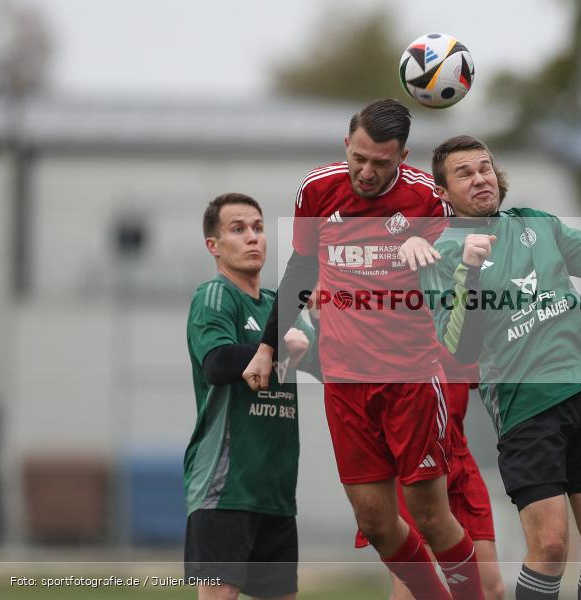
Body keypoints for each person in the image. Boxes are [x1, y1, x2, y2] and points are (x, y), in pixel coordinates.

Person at [243, 99, 484, 600]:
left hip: (411, 379)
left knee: (429, 515)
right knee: (375, 521)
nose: (367, 172)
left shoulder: (426, 200)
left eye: (381, 163)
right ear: (345, 145)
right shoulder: (316, 190)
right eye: (359, 158)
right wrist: (267, 346)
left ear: (404, 157)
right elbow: (301, 272)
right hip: (345, 382)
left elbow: (467, 271)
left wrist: (433, 257)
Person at [419, 135, 581, 600]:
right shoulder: (442, 255)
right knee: (551, 545)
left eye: (484, 167)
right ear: (443, 192)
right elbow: (461, 349)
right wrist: (472, 274)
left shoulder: (536, 224)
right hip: (526, 408)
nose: (479, 178)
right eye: (464, 173)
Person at [184, 193, 320, 599]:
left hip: (275, 492)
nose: (252, 238)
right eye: (238, 229)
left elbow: (326, 367)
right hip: (225, 487)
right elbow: (218, 363)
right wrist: (278, 346)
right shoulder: (215, 296)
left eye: (258, 228)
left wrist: (322, 319)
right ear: (214, 245)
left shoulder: (281, 307)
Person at [354, 350, 505, 600]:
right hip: (414, 460)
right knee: (410, 594)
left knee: (492, 590)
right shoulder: (402, 328)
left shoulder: (458, 325)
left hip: (458, 458)